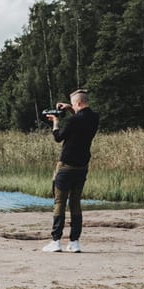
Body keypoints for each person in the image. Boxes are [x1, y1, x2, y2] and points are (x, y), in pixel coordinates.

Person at [41, 90, 98, 252]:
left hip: (66, 166)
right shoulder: (95, 118)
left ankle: (56, 241)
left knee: (59, 203)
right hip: (82, 167)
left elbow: (58, 137)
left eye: (73, 104)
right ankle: (74, 242)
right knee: (75, 203)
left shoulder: (73, 121)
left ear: (78, 103)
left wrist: (55, 121)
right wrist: (69, 109)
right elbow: (81, 118)